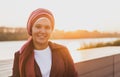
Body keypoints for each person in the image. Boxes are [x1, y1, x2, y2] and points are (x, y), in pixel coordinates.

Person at [12, 8, 78, 77]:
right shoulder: (20, 56)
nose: (43, 31)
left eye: (47, 27)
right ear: (31, 29)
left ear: (51, 30)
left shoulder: (63, 51)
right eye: (38, 27)